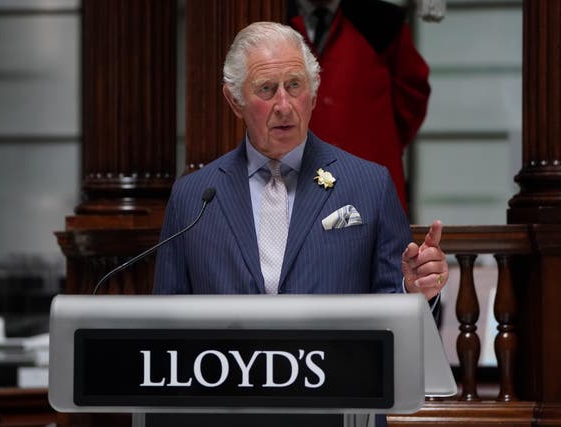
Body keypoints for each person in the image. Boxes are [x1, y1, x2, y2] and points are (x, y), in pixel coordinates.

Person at [153, 21, 447, 427]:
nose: (284, 105)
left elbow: (396, 322)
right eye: (266, 89)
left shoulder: (369, 185)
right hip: (225, 414)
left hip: (340, 411)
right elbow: (164, 333)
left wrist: (414, 291)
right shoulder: (193, 198)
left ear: (313, 93)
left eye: (295, 86)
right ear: (234, 100)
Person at [287, 0, 431, 212]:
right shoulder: (267, 16)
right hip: (292, 177)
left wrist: (380, 142)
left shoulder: (382, 21)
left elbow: (412, 95)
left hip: (368, 177)